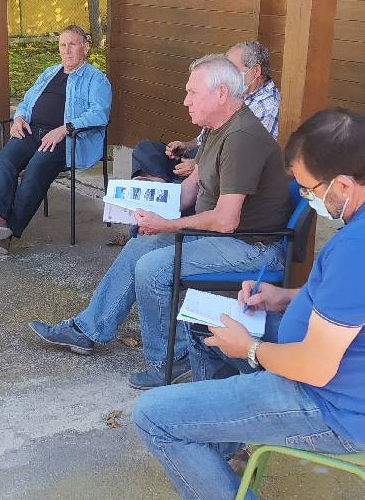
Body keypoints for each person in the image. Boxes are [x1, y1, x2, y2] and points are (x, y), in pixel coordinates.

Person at [133, 108, 365, 499]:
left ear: (343, 185)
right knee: (203, 321)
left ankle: (207, 442)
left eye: (309, 189)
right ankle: (218, 443)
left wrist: (251, 349)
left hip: (331, 405)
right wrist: (286, 298)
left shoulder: (354, 249)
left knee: (153, 417)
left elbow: (314, 366)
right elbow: (348, 306)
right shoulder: (354, 237)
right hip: (334, 367)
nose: (308, 198)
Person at [29, 54, 293, 389]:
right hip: (223, 236)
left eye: (192, 93)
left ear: (221, 94)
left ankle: (171, 357)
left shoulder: (242, 137)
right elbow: (187, 193)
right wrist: (140, 200)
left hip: (252, 246)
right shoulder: (215, 129)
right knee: (141, 244)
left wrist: (166, 225)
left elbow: (227, 221)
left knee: (152, 268)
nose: (185, 101)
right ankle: (88, 329)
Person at [0, 25, 111, 253]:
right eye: (62, 44)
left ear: (85, 47)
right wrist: (20, 118)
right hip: (32, 132)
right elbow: (26, 101)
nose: (67, 49)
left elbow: (99, 113)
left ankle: (7, 233)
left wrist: (64, 129)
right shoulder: (49, 73)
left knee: (36, 169)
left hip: (67, 139)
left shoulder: (96, 79)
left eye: (72, 44)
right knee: (5, 160)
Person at [132, 41, 280, 183]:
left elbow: (243, 160)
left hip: (221, 169)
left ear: (256, 71)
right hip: (202, 155)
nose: (187, 101)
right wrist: (186, 146)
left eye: (232, 69)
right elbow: (205, 136)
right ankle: (162, 187)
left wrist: (198, 168)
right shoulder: (237, 92)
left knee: (183, 186)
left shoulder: (268, 107)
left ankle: (163, 188)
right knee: (145, 149)